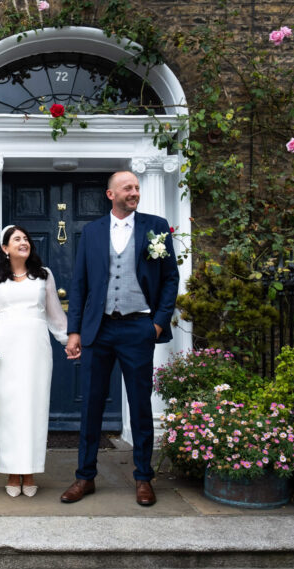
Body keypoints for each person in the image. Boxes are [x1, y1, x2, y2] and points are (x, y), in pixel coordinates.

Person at [61, 170, 179, 506]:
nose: (135, 192)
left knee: (141, 406)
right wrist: (74, 331)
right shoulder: (93, 231)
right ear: (110, 194)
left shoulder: (156, 226)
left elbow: (170, 278)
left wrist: (156, 323)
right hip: (99, 330)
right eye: (128, 188)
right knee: (92, 407)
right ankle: (85, 477)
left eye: (137, 188)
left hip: (137, 328)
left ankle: (143, 477)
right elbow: (80, 283)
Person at [0, 225, 69, 498]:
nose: (23, 242)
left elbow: (55, 314)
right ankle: (11, 472)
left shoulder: (44, 275)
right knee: (8, 410)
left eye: (26, 238)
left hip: (36, 348)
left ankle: (28, 472)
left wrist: (69, 341)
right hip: (4, 348)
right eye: (17, 239)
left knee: (34, 408)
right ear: (5, 248)